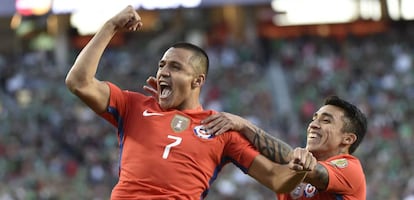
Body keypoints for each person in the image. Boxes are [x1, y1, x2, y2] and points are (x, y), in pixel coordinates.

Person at [65, 5, 317, 199]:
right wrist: (110, 25)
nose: (163, 72)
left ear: (197, 81)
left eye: (175, 67)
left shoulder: (220, 129)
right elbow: (78, 82)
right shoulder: (133, 106)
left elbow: (275, 177)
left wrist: (303, 166)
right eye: (162, 65)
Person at [202, 96, 367, 199]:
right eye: (314, 118)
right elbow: (275, 173)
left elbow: (308, 167)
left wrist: (244, 125)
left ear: (347, 139)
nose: (313, 125)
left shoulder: (350, 168)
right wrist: (230, 138)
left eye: (325, 120)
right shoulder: (291, 170)